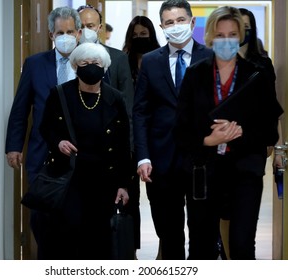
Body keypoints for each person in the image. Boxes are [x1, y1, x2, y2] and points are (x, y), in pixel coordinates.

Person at [174, 6, 283, 259]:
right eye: (220, 35)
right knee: (201, 247)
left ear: (241, 36)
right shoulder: (194, 74)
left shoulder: (256, 75)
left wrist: (239, 133)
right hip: (205, 172)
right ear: (210, 37)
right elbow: (180, 130)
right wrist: (208, 140)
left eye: (232, 34)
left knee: (242, 245)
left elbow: (270, 132)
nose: (226, 41)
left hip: (244, 173)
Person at [133, 0, 213, 260]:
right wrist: (143, 156)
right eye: (169, 22)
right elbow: (141, 112)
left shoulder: (210, 58)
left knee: (202, 233)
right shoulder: (151, 62)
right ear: (162, 27)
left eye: (180, 20)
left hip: (202, 159)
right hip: (161, 160)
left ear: (192, 23)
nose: (175, 26)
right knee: (169, 235)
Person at [39, 42, 131, 260]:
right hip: (69, 177)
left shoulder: (115, 98)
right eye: (85, 63)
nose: (91, 67)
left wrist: (123, 184)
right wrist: (58, 142)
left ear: (105, 67)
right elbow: (45, 127)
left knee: (99, 236)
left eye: (96, 63)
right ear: (75, 66)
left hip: (104, 179)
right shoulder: (60, 94)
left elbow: (123, 143)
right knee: (69, 233)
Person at [5, 6, 82, 259]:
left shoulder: (90, 62)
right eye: (60, 32)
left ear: (79, 33)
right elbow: (20, 108)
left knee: (75, 225)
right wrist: (14, 146)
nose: (65, 36)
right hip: (41, 157)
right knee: (42, 223)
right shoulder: (35, 64)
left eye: (70, 31)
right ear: (51, 35)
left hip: (79, 158)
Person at [77, 4, 140, 255]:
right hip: (81, 157)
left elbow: (129, 110)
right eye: (81, 26)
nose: (86, 31)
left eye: (91, 26)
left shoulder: (118, 59)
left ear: (100, 28)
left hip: (115, 155)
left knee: (119, 221)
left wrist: (131, 155)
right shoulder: (72, 63)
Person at [122, 15, 162, 259]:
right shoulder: (121, 63)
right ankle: (130, 251)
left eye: (143, 35)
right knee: (130, 199)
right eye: (135, 36)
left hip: (154, 141)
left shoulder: (159, 61)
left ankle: (163, 249)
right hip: (128, 142)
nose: (139, 40)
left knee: (159, 200)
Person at [122, 15, 161, 87]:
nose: (139, 37)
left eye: (143, 34)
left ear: (151, 34)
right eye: (134, 35)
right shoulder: (124, 61)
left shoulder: (160, 59)